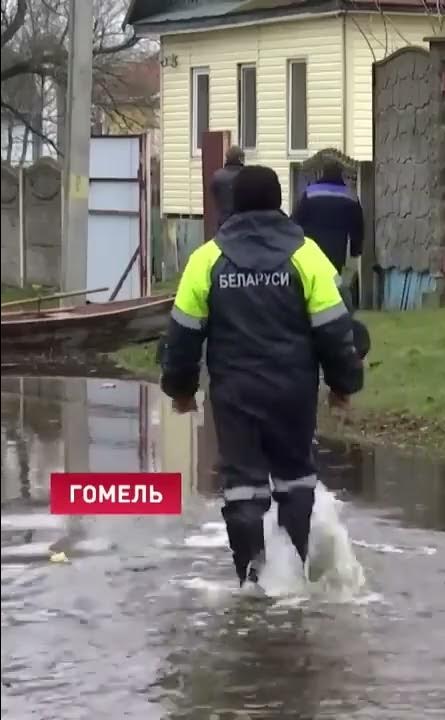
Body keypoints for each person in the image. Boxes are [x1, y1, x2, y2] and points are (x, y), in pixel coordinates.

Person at [159, 164, 364, 588]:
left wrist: (181, 390)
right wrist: (343, 386)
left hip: (234, 393)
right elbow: (335, 329)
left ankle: (253, 579)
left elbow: (182, 336)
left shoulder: (206, 259)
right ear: (279, 203)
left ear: (232, 203)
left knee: (242, 486)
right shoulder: (307, 255)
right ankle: (296, 574)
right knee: (295, 479)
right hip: (293, 390)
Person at [291, 159, 365, 307]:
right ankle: (329, 305)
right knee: (332, 277)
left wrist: (294, 244)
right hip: (337, 244)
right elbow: (357, 224)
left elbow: (296, 219)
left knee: (311, 275)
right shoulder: (349, 196)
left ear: (322, 173)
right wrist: (356, 249)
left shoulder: (310, 193)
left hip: (311, 243)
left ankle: (309, 304)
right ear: (341, 175)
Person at [209, 145, 245, 229]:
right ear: (240, 159)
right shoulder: (247, 175)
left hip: (223, 222)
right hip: (242, 223)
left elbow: (214, 194)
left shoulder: (217, 176)